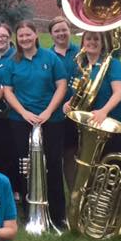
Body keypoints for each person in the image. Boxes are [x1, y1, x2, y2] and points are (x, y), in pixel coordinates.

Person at [1, 20, 67, 224]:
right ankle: (29, 213)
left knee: (53, 165)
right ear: (17, 39)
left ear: (36, 34)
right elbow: (7, 91)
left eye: (28, 34)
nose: (25, 39)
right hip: (21, 121)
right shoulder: (13, 61)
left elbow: (61, 86)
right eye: (21, 36)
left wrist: (48, 112)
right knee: (25, 167)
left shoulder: (51, 58)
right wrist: (23, 112)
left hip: (51, 120)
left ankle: (57, 216)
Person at [62, 30, 121, 156]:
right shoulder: (80, 66)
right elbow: (78, 92)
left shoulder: (113, 64)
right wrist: (68, 103)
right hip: (87, 127)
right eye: (88, 39)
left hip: (111, 126)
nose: (92, 42)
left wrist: (103, 111)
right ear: (83, 43)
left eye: (96, 39)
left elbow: (119, 92)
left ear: (102, 43)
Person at [48, 16, 80, 188]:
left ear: (70, 31)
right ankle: (56, 194)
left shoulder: (81, 53)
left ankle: (74, 194)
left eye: (64, 29)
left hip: (77, 113)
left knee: (71, 155)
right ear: (51, 35)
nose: (61, 33)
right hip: (53, 113)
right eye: (57, 31)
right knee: (53, 156)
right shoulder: (46, 55)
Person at [0, 23, 18, 195]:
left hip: (12, 111)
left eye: (4, 36)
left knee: (11, 151)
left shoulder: (15, 57)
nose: (0, 39)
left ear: (9, 38)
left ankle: (14, 190)